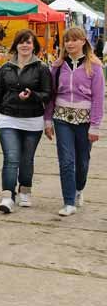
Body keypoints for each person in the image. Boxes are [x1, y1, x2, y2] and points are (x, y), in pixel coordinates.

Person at [0, 29, 51, 214]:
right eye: (21, 42)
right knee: (11, 158)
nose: (25, 45)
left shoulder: (42, 68)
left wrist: (32, 95)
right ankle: (7, 197)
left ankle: (25, 189)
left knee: (26, 159)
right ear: (16, 45)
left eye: (29, 42)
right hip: (8, 119)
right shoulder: (6, 68)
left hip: (33, 120)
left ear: (34, 46)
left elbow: (48, 95)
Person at [44, 27, 104, 216]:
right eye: (67, 40)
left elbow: (98, 98)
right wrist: (47, 121)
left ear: (83, 41)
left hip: (85, 121)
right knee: (66, 161)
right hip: (62, 119)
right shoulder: (58, 65)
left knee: (82, 162)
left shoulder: (94, 66)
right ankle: (68, 202)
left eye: (74, 40)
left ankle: (79, 189)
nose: (70, 44)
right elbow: (51, 95)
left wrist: (95, 125)